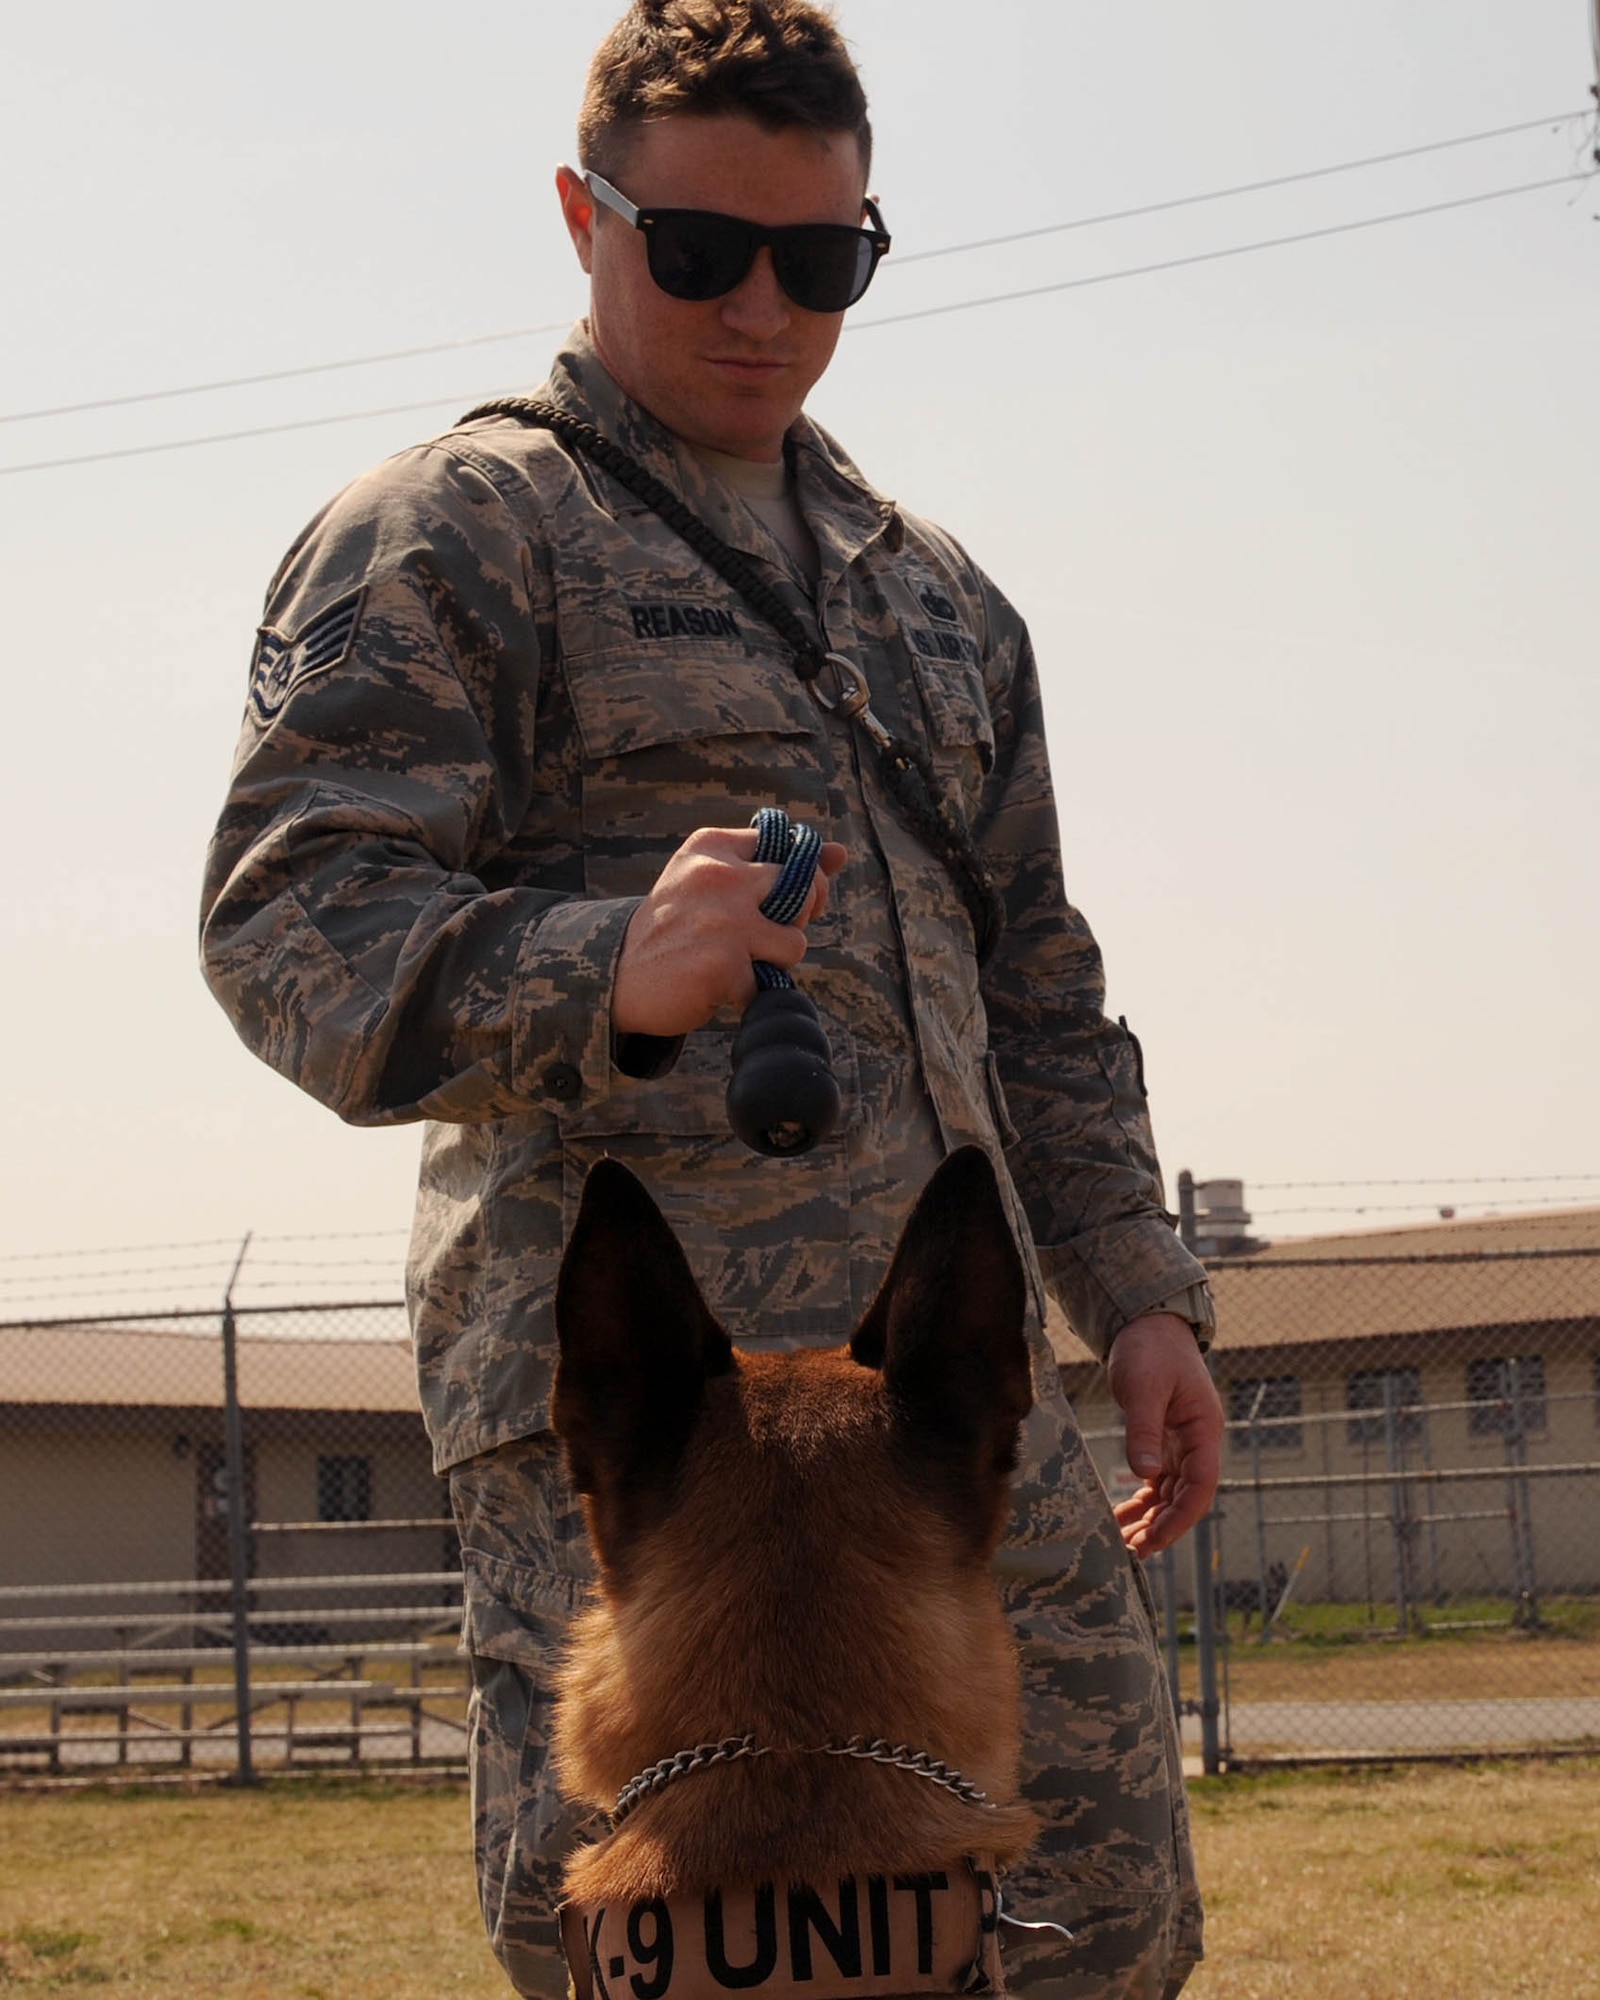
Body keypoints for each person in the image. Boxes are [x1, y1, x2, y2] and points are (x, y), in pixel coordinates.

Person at [199, 4, 1224, 1994]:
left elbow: (1040, 986)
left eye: (820, 260)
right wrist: (607, 962)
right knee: (661, 1941)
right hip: (646, 1433)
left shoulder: (930, 592)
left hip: (940, 1413)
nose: (762, 306)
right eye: (698, 251)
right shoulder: (460, 532)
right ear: (584, 219)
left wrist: (1141, 1290)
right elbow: (285, 924)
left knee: (1095, 1922)